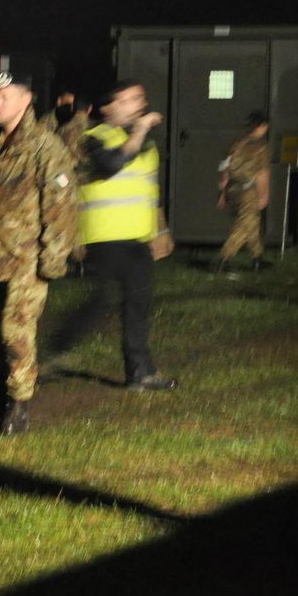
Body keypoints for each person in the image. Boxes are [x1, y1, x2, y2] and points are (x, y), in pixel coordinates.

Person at [0, 72, 77, 434]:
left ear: (26, 100)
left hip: (26, 260)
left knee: (16, 333)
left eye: (4, 97)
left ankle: (18, 403)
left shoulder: (45, 146)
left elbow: (61, 207)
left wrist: (52, 260)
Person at [61, 80, 178, 391]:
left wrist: (162, 229)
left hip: (138, 239)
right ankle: (55, 351)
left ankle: (139, 373)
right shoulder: (93, 137)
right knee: (101, 302)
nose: (139, 105)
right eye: (129, 100)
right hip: (104, 238)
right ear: (107, 108)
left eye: (140, 98)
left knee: (135, 305)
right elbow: (111, 165)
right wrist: (139, 131)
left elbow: (150, 189)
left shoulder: (146, 144)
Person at [216, 112, 272, 274]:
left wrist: (222, 193)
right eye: (265, 126)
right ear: (261, 126)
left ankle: (257, 259)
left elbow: (225, 169)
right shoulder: (261, 147)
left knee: (251, 224)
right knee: (243, 226)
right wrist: (264, 194)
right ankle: (224, 260)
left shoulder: (235, 145)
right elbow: (262, 173)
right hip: (248, 190)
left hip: (233, 189)